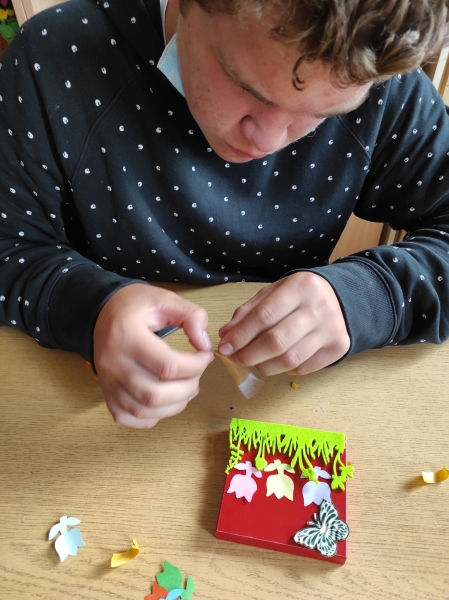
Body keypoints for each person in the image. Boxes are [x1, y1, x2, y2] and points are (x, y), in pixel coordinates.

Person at [0, 0, 448, 428]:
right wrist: (91, 309)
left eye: (323, 112)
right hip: (88, 408)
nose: (267, 140)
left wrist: (368, 297)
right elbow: (9, 248)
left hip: (287, 402)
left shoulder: (384, 78)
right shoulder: (55, 59)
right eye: (244, 85)